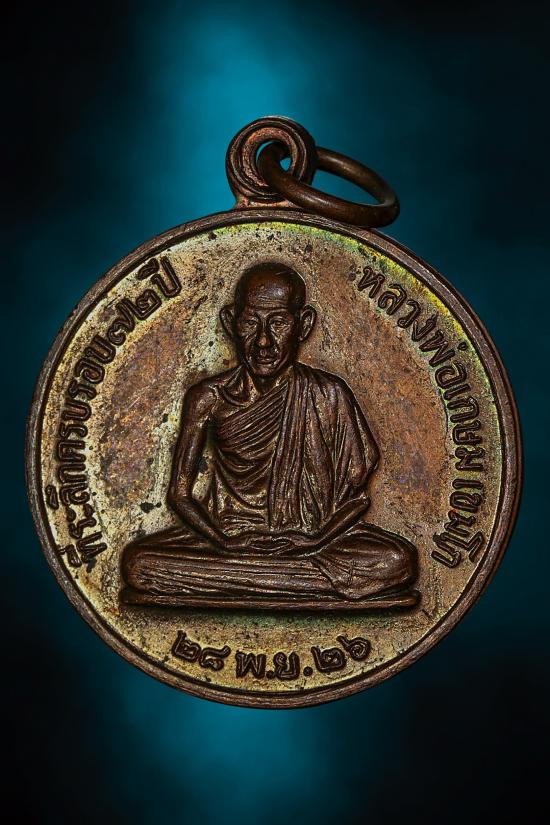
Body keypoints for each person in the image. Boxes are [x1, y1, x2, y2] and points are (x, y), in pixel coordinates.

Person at [121, 262, 417, 605]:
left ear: (303, 325)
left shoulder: (329, 394)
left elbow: (358, 498)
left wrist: (314, 540)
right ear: (230, 323)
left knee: (396, 561)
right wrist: (224, 541)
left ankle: (249, 580)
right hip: (228, 538)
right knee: (139, 564)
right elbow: (179, 494)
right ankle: (290, 581)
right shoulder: (208, 398)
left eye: (278, 323)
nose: (263, 341)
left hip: (313, 541)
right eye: (251, 323)